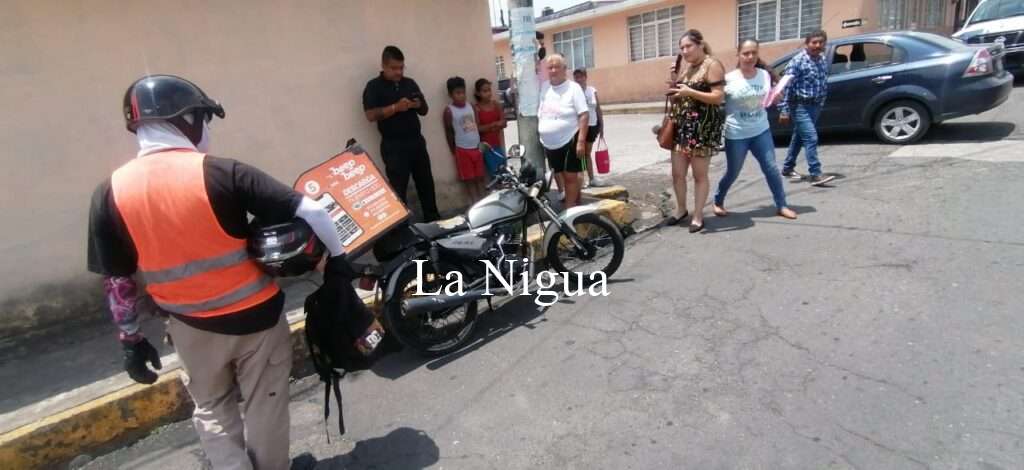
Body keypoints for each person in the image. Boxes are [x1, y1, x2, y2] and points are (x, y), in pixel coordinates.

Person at [87, 75, 349, 470]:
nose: (207, 130)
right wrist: (340, 260)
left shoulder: (109, 193)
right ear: (187, 119)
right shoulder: (223, 172)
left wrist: (131, 340)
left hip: (190, 327)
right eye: (205, 119)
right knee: (266, 403)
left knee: (212, 408)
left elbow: (118, 280)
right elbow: (311, 210)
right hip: (257, 319)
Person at [713, 39, 798, 220]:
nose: (750, 57)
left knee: (771, 168)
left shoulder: (764, 75)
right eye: (746, 53)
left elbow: (770, 99)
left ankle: (781, 205)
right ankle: (718, 200)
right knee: (733, 172)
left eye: (754, 53)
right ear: (739, 54)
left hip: (761, 131)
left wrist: (776, 97)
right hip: (736, 135)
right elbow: (716, 101)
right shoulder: (728, 79)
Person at [362, 45, 441, 221]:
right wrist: (395, 108)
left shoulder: (409, 83)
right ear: (383, 66)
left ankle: (435, 223)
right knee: (398, 191)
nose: (398, 72)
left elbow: (425, 110)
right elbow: (370, 115)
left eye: (401, 67)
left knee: (426, 185)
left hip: (416, 142)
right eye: (394, 68)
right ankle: (402, 231)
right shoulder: (374, 86)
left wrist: (416, 104)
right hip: (394, 146)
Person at [666, 29, 726, 233]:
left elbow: (718, 97)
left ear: (700, 44)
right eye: (681, 48)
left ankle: (698, 214)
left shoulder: (712, 64)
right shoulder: (688, 68)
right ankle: (681, 209)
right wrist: (674, 79)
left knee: (700, 175)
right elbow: (676, 98)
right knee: (677, 174)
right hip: (683, 128)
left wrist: (690, 91)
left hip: (702, 130)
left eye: (688, 46)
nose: (684, 51)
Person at [779, 30, 835, 186]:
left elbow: (822, 81)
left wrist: (821, 101)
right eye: (814, 42)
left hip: (815, 105)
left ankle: (787, 168)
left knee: (799, 137)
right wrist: (784, 110)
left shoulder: (822, 59)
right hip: (799, 106)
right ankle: (816, 174)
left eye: (821, 42)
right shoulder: (797, 61)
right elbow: (786, 86)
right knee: (811, 137)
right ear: (807, 43)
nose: (818, 45)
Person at [538, 53, 589, 209]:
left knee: (570, 177)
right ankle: (576, 201)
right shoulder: (545, 86)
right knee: (559, 174)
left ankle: (568, 211)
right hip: (550, 143)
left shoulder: (573, 88)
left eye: (556, 67)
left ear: (564, 69)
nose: (553, 70)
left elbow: (584, 114)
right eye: (550, 67)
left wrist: (581, 141)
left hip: (570, 139)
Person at [443, 76, 487, 202]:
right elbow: (449, 131)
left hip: (476, 148)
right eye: (457, 93)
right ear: (450, 95)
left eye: (463, 92)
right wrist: (454, 151)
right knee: (469, 180)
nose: (461, 96)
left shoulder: (471, 107)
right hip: (462, 150)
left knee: (480, 177)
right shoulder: (449, 111)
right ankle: (474, 204)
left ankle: (483, 202)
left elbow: (477, 124)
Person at [573, 68, 608, 188]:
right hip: (580, 127)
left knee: (587, 153)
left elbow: (598, 108)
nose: (579, 79)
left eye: (581, 76)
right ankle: (582, 180)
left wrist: (601, 125)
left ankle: (592, 178)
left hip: (593, 125)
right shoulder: (573, 92)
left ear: (585, 77)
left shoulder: (592, 90)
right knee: (580, 154)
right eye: (576, 77)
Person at [473, 78, 507, 177]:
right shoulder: (477, 108)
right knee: (495, 174)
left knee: (504, 171)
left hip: (497, 144)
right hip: (486, 147)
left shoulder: (496, 104)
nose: (488, 93)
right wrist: (494, 125)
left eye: (489, 90)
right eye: (485, 91)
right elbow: (478, 129)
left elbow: (504, 123)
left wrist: (498, 124)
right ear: (478, 93)